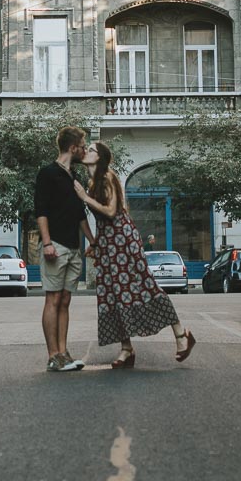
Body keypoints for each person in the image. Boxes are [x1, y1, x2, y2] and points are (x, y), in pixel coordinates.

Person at [74, 142, 196, 369]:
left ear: (99, 157)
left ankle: (181, 335)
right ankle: (126, 349)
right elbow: (104, 219)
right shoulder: (92, 183)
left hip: (124, 241)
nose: (87, 152)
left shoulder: (107, 177)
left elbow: (111, 212)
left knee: (145, 286)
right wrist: (97, 243)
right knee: (113, 293)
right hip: (109, 243)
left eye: (91, 149)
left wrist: (84, 197)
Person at [35, 126, 93, 372]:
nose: (84, 149)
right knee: (53, 298)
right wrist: (47, 243)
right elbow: (41, 211)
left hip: (73, 246)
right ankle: (52, 356)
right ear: (73, 147)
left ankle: (64, 352)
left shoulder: (73, 177)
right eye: (83, 145)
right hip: (55, 246)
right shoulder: (47, 173)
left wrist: (92, 240)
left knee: (66, 299)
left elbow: (80, 215)